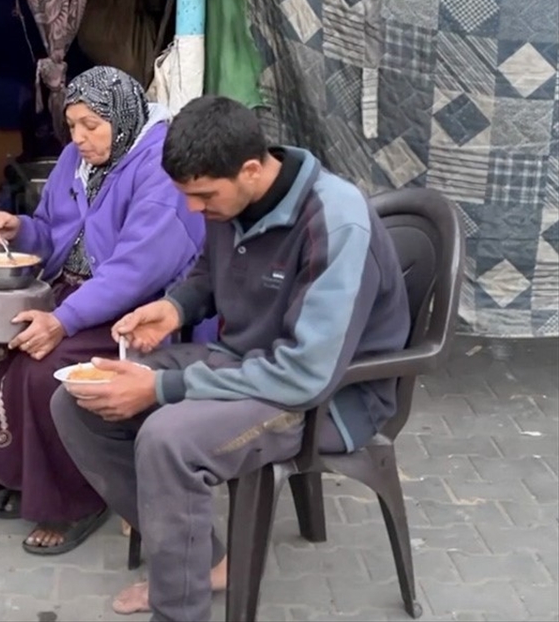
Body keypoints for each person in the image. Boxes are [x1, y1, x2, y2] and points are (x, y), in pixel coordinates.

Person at [51, 95, 411, 621]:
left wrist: (161, 390)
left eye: (202, 197)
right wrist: (174, 309)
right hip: (243, 366)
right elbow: (206, 273)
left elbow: (305, 374)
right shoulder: (230, 197)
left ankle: (179, 608)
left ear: (249, 169)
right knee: (78, 400)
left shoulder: (336, 221)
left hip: (328, 398)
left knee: (168, 439)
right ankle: (205, 562)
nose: (195, 210)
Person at [0, 66, 208, 555]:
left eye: (91, 126)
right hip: (69, 294)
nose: (78, 138)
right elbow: (52, 229)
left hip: (138, 312)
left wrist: (61, 322)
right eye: (73, 125)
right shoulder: (73, 160)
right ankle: (12, 474)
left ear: (122, 119)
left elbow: (136, 271)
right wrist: (20, 228)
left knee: (47, 372)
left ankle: (76, 500)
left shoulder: (160, 168)